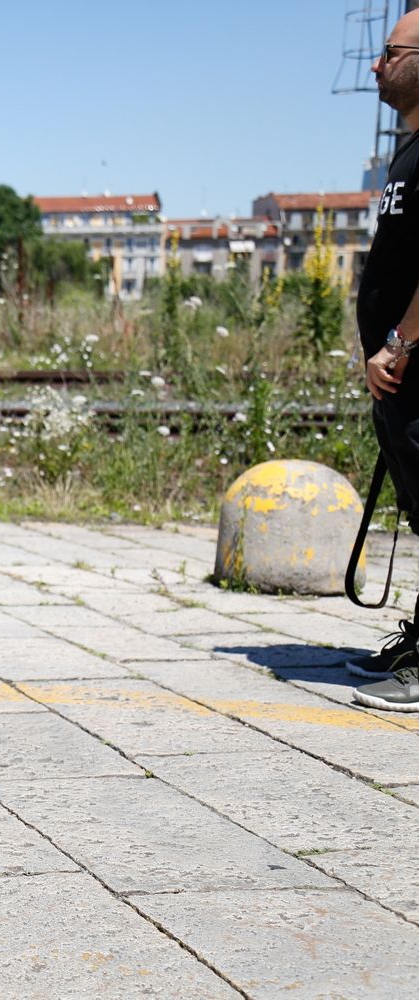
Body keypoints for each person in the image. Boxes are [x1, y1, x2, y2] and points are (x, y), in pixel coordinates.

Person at [350, 8, 419, 713]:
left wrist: (397, 343)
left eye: (391, 52)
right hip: (400, 374)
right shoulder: (408, 149)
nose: (376, 63)